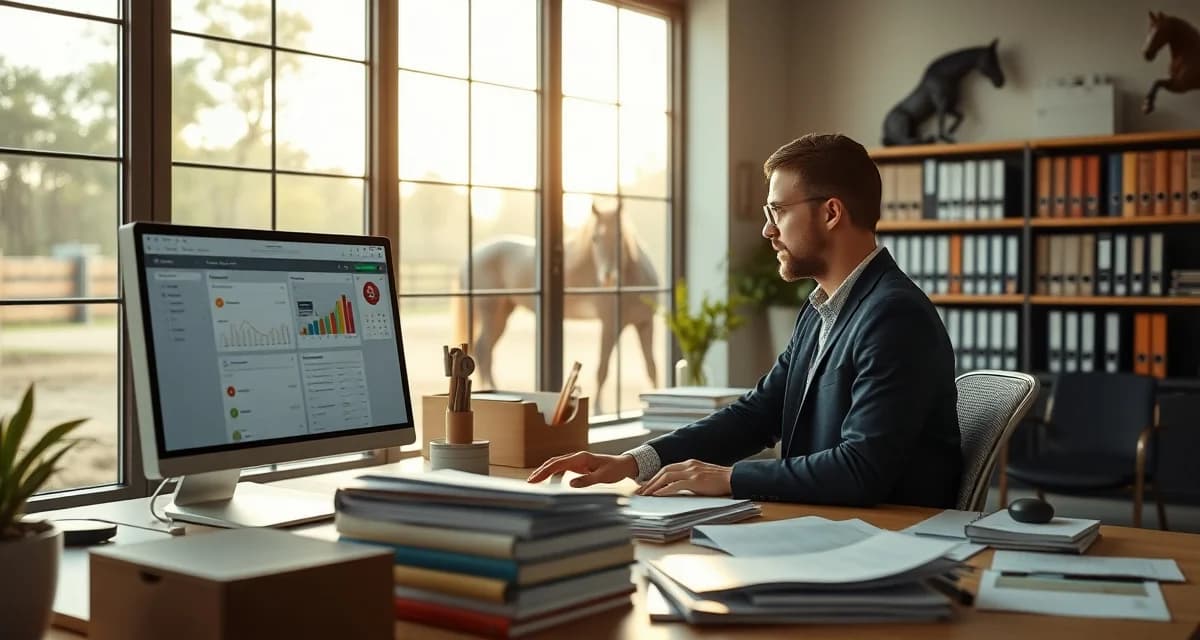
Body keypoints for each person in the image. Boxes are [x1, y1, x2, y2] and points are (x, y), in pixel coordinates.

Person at [527, 133, 961, 508]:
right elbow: (757, 414)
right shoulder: (821, 310)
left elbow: (861, 469)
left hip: (885, 545)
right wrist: (633, 461)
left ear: (831, 213)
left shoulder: (894, 316)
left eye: (778, 212)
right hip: (826, 527)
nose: (767, 231)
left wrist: (727, 478)